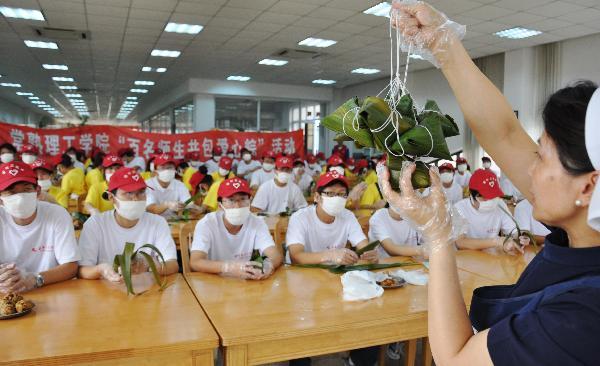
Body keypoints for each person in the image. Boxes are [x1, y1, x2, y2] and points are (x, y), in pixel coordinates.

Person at [383, 3, 600, 365]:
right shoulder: (583, 232)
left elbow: (456, 358)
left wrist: (438, 240)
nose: (528, 171)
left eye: (541, 157)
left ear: (588, 188)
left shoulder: (581, 318)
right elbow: (504, 134)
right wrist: (442, 42)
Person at [286, 171, 379, 366]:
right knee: (301, 325)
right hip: (303, 282)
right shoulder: (300, 218)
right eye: (331, 193)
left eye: (342, 194)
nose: (337, 199)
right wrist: (330, 255)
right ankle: (300, 359)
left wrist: (370, 252)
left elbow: (363, 244)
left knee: (370, 315)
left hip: (336, 280)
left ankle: (358, 360)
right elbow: (296, 255)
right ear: (317, 196)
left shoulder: (347, 216)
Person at [78, 167, 179, 281]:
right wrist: (100, 270)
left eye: (141, 192)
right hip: (105, 291)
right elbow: (82, 269)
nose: (136, 199)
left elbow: (172, 265)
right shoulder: (96, 224)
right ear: (112, 197)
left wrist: (150, 265)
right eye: (129, 193)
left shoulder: (158, 223)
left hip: (148, 292)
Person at [0, 162, 80, 293]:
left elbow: (70, 266)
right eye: (11, 192)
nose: (20, 199)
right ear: (1, 199)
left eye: (26, 190)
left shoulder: (57, 215)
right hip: (6, 297)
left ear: (37, 191)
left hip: (51, 292)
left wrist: (35, 279)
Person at [189, 177, 282, 279]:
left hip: (247, 284)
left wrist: (268, 265)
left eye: (243, 199)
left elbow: (275, 255)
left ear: (250, 201)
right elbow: (195, 262)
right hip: (215, 282)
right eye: (231, 200)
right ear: (220, 205)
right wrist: (228, 267)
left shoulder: (257, 222)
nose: (237, 206)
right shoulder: (207, 224)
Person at [453, 169, 522, 253]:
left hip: (491, 257)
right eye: (485, 198)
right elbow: (460, 242)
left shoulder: (499, 205)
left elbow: (514, 231)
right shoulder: (459, 208)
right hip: (467, 257)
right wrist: (496, 241)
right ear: (471, 195)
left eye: (493, 196)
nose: (490, 201)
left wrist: (514, 240)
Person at [146, 153, 191, 218]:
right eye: (162, 167)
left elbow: (188, 204)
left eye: (170, 167)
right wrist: (167, 204)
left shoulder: (180, 185)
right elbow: (151, 209)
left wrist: (185, 207)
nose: (167, 170)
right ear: (155, 170)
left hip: (174, 222)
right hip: (153, 222)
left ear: (175, 170)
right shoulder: (148, 185)